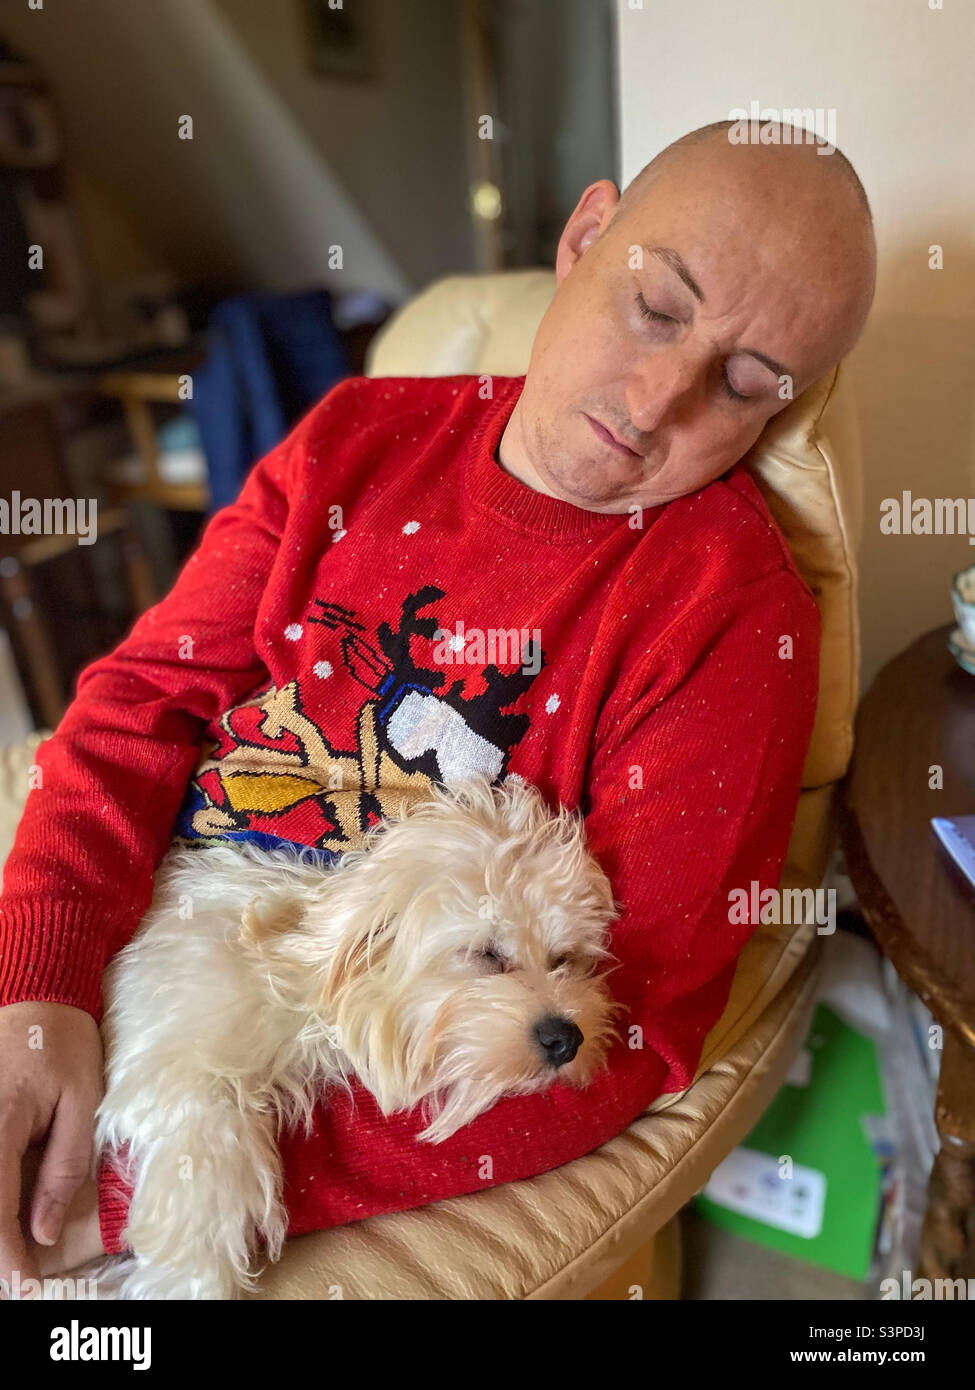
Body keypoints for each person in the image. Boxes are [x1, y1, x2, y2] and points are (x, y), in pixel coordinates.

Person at [0, 119, 876, 1289]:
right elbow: (139, 704)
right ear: (585, 236)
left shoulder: (727, 615)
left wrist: (141, 1181)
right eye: (658, 307)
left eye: (744, 383)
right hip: (151, 907)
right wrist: (38, 981)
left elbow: (623, 1036)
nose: (661, 396)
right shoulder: (353, 440)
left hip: (275, 1050)